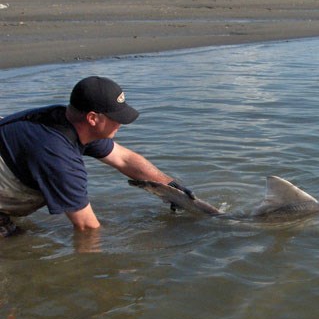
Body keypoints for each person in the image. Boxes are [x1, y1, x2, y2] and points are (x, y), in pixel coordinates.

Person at [0, 76, 194, 237]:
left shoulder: (73, 124)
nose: (121, 124)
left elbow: (124, 159)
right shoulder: (59, 157)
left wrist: (170, 186)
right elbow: (86, 228)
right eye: (116, 118)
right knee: (20, 248)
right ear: (92, 118)